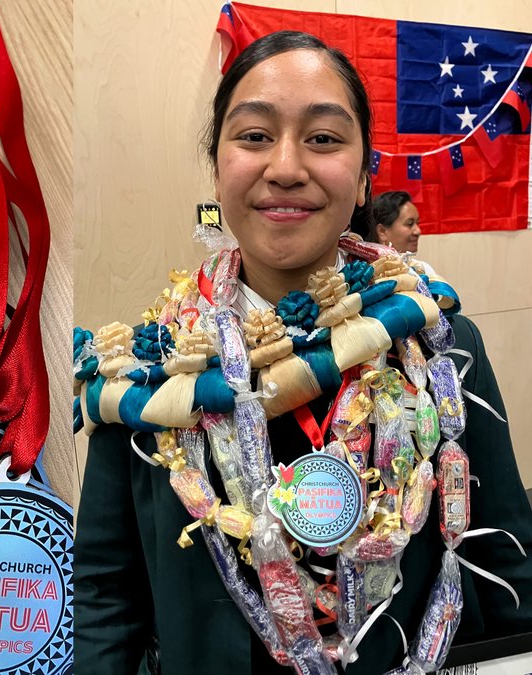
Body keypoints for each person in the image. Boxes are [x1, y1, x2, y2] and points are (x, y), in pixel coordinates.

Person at [73, 31, 532, 674]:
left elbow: (508, 561)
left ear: (367, 170)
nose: (286, 167)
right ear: (216, 164)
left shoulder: (440, 345)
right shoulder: (150, 375)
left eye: (323, 139)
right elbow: (105, 596)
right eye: (255, 135)